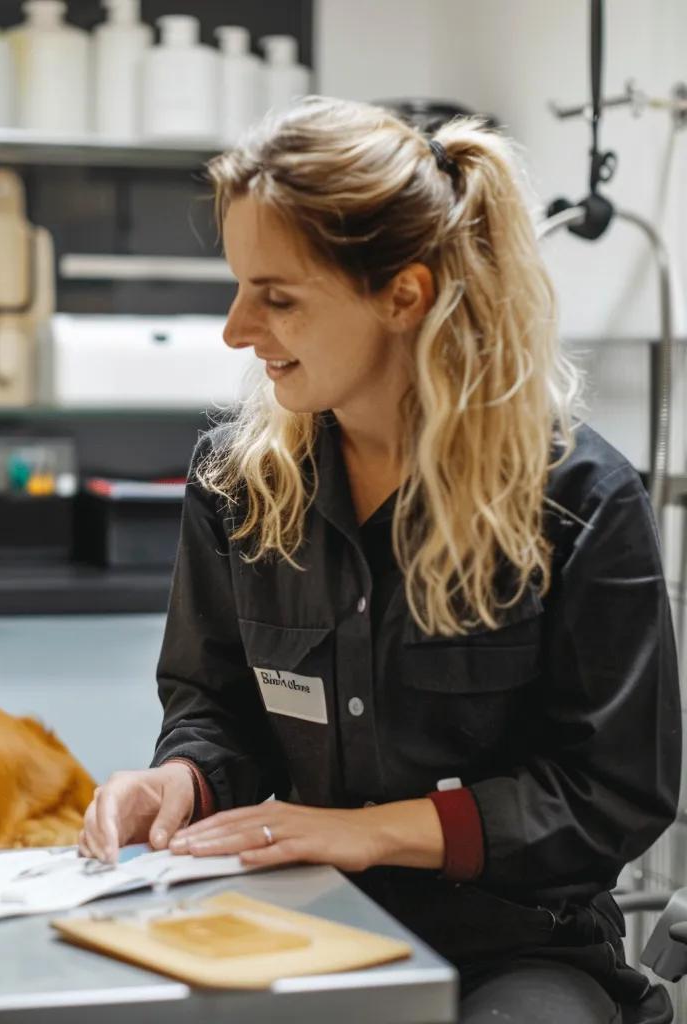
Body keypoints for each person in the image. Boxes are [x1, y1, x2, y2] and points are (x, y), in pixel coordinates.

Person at [78, 98, 682, 1023]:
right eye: (239, 286)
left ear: (404, 294)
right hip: (295, 925)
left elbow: (611, 798)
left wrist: (368, 834)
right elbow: (216, 708)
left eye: (276, 296)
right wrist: (181, 782)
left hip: (514, 951)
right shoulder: (240, 489)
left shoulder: (581, 502)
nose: (236, 330)